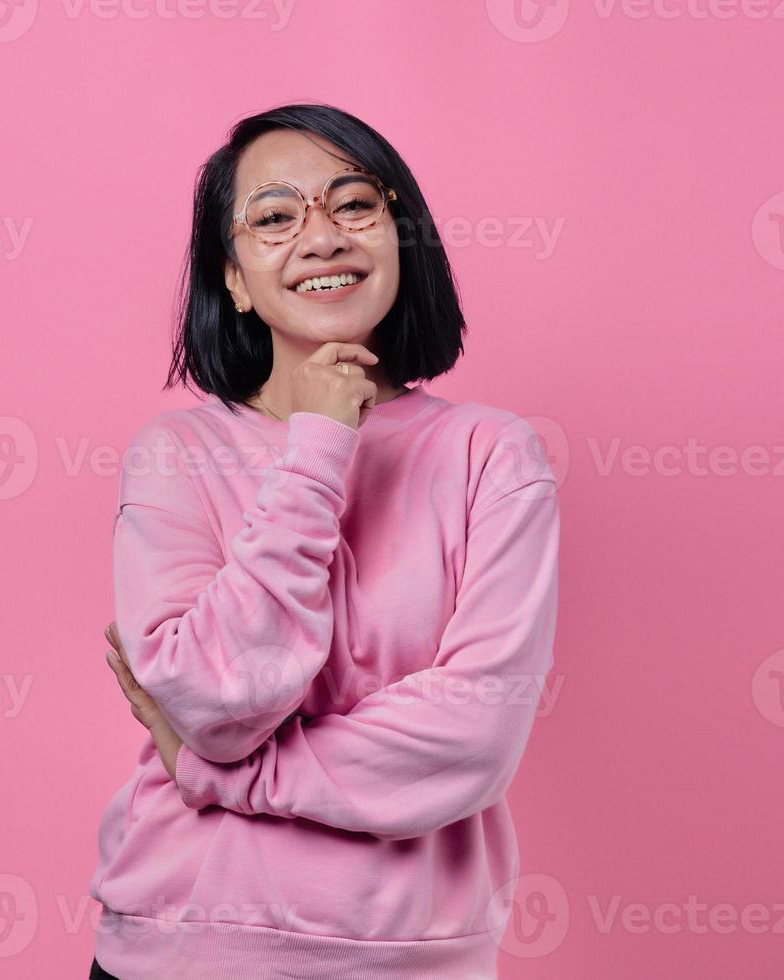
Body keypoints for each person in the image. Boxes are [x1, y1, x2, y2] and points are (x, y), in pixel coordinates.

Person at [89, 102, 560, 979]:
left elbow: (472, 740)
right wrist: (315, 453)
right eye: (273, 218)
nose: (321, 236)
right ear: (233, 278)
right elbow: (214, 704)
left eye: (354, 205)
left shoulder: (492, 455)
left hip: (411, 957)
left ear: (398, 236)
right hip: (178, 947)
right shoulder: (176, 455)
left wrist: (221, 776)